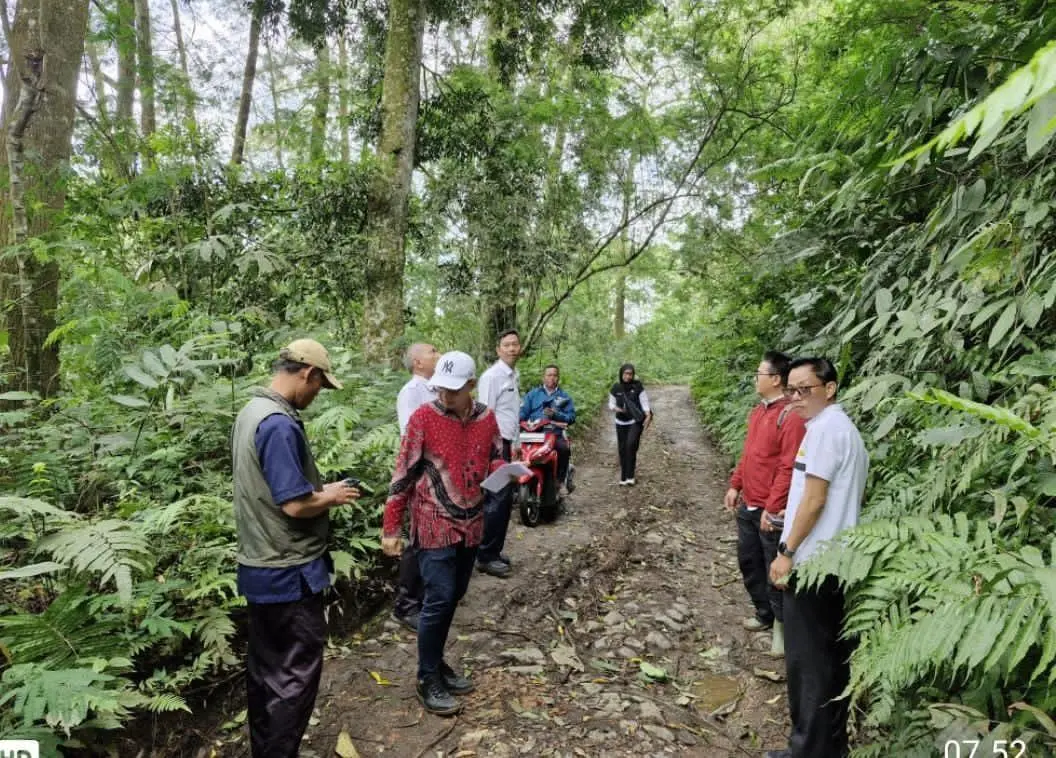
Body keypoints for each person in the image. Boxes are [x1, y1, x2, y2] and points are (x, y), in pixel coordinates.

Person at [231, 338, 360, 758]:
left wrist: (319, 490)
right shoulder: (279, 424)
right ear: (308, 373)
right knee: (295, 677)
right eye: (320, 385)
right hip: (288, 570)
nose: (318, 395)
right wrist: (333, 496)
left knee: (265, 671)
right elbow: (294, 503)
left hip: (258, 565)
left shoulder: (251, 412)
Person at [381, 351, 505, 716]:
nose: (445, 397)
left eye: (454, 391)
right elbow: (402, 473)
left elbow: (495, 454)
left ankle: (434, 662)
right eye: (441, 389)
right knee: (440, 595)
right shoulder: (423, 418)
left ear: (471, 386)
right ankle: (426, 677)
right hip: (432, 520)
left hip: (471, 522)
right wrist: (392, 526)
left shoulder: (486, 418)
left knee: (455, 594)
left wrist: (507, 470)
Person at [766, 357, 868, 758]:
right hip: (835, 562)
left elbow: (815, 499)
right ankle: (828, 747)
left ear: (830, 388)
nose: (795, 398)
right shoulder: (841, 431)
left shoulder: (827, 430)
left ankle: (807, 751)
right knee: (828, 662)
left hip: (814, 565)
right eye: (791, 389)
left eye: (804, 389)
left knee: (808, 666)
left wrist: (786, 552)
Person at [723, 351, 805, 658]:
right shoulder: (759, 412)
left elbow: (788, 467)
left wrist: (772, 507)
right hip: (750, 503)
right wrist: (735, 485)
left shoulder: (791, 416)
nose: (755, 378)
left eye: (760, 373)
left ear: (775, 379)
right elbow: (749, 454)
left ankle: (783, 630)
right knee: (749, 563)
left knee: (776, 571)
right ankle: (764, 614)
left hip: (772, 511)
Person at [391, 343, 441, 632]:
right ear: (418, 362)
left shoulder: (436, 390)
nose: (438, 354)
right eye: (433, 351)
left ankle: (423, 597)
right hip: (422, 476)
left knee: (430, 538)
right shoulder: (412, 392)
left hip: (439, 478)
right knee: (417, 538)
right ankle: (406, 605)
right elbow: (411, 438)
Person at [475, 329, 522, 577]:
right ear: (498, 350)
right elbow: (485, 414)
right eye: (507, 345)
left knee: (505, 501)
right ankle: (485, 555)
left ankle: (494, 550)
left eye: (515, 344)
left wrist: (516, 441)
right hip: (494, 444)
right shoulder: (491, 377)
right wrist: (492, 450)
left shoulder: (514, 375)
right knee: (496, 499)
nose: (512, 348)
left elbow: (512, 412)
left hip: (507, 443)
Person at [519, 364, 576, 494]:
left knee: (563, 448)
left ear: (558, 378)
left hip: (553, 433)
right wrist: (518, 419)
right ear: (543, 377)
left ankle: (560, 482)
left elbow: (571, 417)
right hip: (533, 433)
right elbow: (523, 412)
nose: (552, 378)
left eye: (555, 375)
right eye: (549, 375)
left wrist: (556, 415)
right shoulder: (532, 395)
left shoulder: (564, 397)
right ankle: (516, 484)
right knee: (516, 450)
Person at [608, 363, 652, 485]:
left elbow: (644, 401)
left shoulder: (637, 386)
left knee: (631, 445)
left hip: (634, 421)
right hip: (620, 421)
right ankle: (624, 477)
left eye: (630, 374)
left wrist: (647, 414)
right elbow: (611, 403)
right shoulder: (616, 387)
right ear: (621, 374)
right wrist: (616, 409)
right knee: (622, 449)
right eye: (626, 373)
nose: (628, 376)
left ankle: (631, 475)